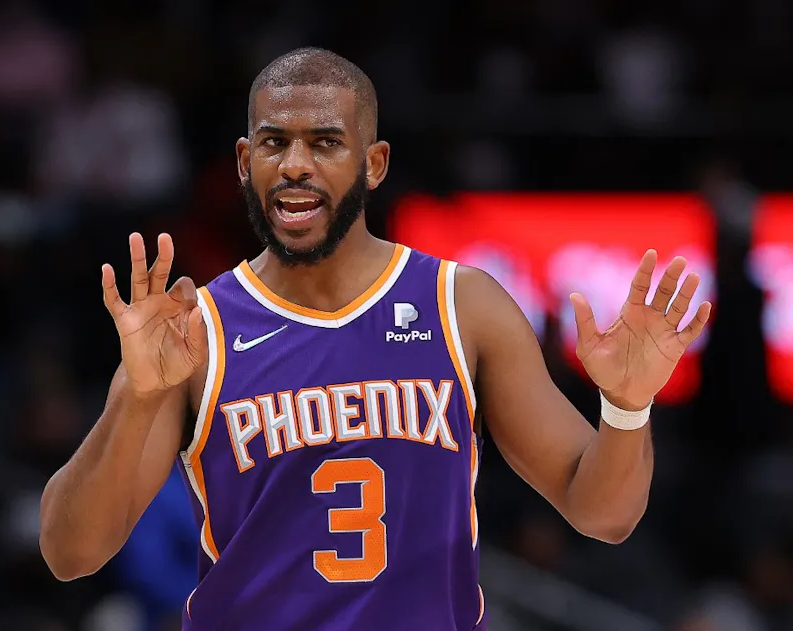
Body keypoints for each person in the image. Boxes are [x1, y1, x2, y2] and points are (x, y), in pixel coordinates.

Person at [38, 47, 712, 631]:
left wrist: (626, 406)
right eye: (274, 142)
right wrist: (135, 398)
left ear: (375, 162)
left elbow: (605, 514)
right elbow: (71, 553)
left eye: (325, 142)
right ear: (245, 161)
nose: (295, 164)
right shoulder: (194, 333)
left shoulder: (461, 306)